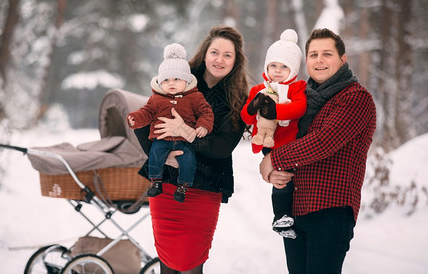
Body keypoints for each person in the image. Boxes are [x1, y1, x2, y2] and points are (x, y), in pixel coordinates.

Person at [259, 28, 376, 273]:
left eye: (327, 54)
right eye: (313, 55)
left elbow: (322, 143)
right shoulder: (301, 101)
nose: (319, 60)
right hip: (294, 210)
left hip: (331, 211)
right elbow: (285, 139)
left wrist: (273, 160)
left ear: (342, 60)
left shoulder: (356, 98)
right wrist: (273, 170)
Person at [134, 25, 249, 273]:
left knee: (191, 262)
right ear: (205, 53)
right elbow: (143, 123)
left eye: (227, 55)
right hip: (166, 187)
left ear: (235, 61)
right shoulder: (177, 79)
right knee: (166, 258)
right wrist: (162, 157)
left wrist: (188, 134)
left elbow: (222, 147)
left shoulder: (238, 98)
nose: (219, 59)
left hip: (205, 190)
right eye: (215, 52)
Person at [240, 29, 307, 239]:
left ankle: (283, 216)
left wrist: (275, 110)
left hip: (288, 144)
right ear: (266, 66)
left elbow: (299, 108)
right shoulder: (258, 90)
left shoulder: (298, 88)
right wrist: (253, 108)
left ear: (293, 69)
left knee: (284, 179)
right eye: (273, 66)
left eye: (284, 67)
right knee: (281, 179)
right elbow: (246, 118)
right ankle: (281, 216)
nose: (278, 71)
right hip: (268, 143)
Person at [127, 43, 214, 203]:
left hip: (184, 140)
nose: (171, 83)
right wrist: (135, 118)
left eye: (176, 79)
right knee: (155, 155)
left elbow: (205, 112)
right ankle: (155, 181)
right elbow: (146, 113)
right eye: (166, 80)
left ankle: (183, 186)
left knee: (188, 159)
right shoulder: (156, 99)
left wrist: (203, 125)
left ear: (187, 81)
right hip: (161, 138)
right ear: (160, 82)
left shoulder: (195, 97)